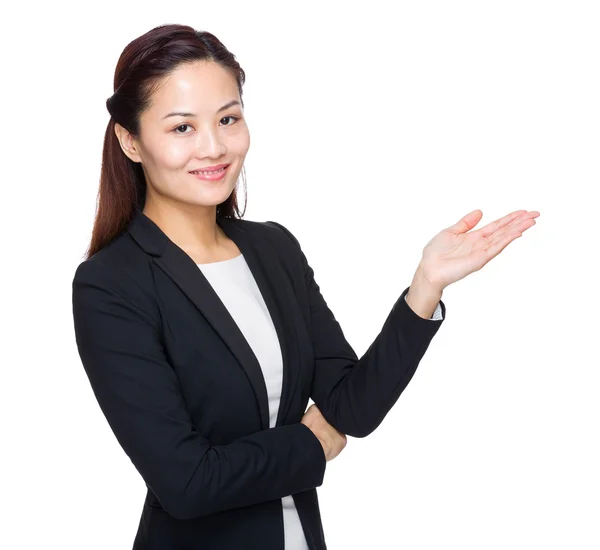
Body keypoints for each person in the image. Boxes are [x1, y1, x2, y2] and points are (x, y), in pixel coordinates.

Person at [71, 23, 540, 550]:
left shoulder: (274, 250)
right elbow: (186, 483)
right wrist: (312, 444)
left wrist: (425, 286)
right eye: (182, 128)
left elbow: (350, 407)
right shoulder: (112, 285)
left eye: (228, 118)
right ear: (130, 140)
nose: (213, 147)